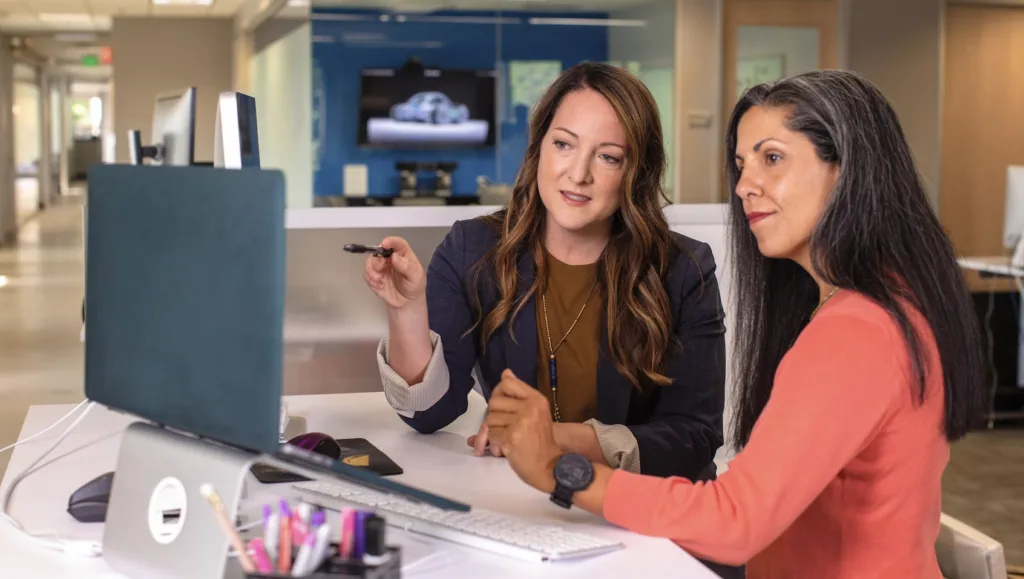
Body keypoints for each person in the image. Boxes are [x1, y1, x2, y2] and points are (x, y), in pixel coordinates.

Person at [482, 69, 987, 578]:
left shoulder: (856, 331)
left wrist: (560, 472)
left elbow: (735, 522)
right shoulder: (893, 300)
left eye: (773, 158)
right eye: (742, 165)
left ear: (846, 170)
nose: (746, 185)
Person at [363, 64, 738, 575]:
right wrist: (406, 310)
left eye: (607, 157)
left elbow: (694, 437)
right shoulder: (473, 249)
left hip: (654, 531)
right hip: (530, 521)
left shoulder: (682, 268)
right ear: (539, 148)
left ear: (636, 172)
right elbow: (429, 414)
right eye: (564, 145)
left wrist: (552, 441)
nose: (577, 174)